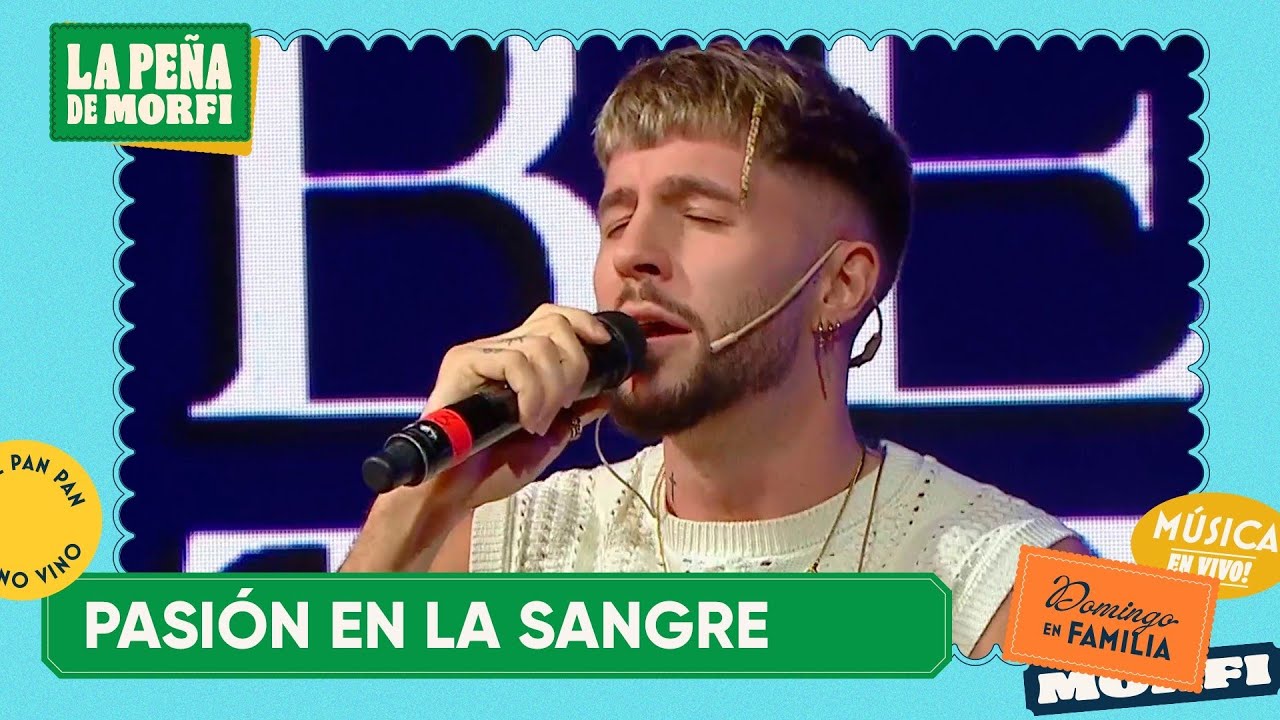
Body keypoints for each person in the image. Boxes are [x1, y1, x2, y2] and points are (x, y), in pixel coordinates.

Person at [341, 42, 1091, 659]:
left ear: (839, 285)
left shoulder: (1008, 581)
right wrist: (417, 513)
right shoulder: (507, 550)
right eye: (615, 222)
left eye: (699, 215)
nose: (633, 254)